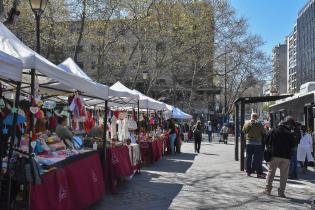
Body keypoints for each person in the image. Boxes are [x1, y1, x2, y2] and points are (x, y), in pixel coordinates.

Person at [263, 116, 296, 198]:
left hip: (275, 155)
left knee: (271, 173)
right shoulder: (290, 133)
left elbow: (266, 140)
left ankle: (268, 190)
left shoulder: (274, 130)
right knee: (284, 175)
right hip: (286, 157)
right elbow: (293, 145)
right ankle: (281, 192)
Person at [242, 113, 266, 178]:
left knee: (248, 158)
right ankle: (258, 173)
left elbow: (243, 131)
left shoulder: (246, 123)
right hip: (258, 144)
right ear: (256, 117)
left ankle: (248, 172)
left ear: (251, 117)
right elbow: (264, 132)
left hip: (249, 143)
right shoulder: (259, 124)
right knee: (257, 159)